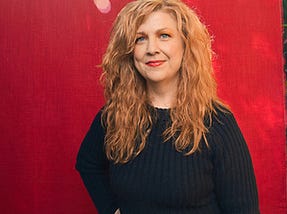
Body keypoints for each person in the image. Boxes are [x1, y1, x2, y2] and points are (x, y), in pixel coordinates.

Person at [75, 0, 260, 213]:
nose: (152, 49)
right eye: (140, 38)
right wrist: (111, 209)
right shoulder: (115, 117)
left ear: (185, 44)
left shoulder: (217, 122)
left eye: (164, 35)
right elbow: (88, 163)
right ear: (129, 50)